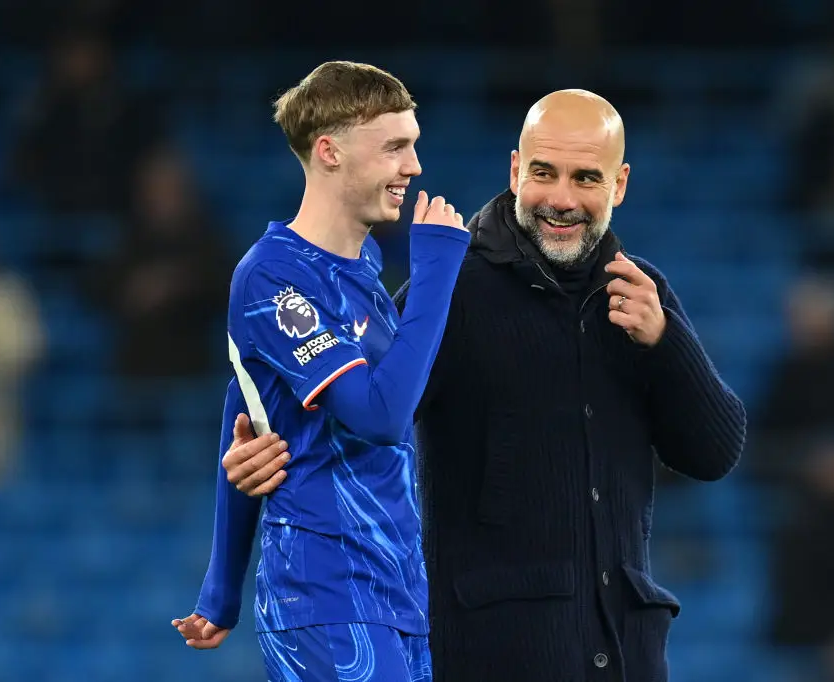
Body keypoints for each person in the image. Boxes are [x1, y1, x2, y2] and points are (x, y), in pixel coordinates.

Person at [222, 89, 746, 682]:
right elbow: (366, 412)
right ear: (516, 169)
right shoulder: (455, 291)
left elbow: (714, 453)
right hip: (490, 655)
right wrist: (263, 453)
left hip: (628, 656)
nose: (563, 200)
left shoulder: (640, 293)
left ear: (619, 185)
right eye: (545, 173)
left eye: (586, 178)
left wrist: (664, 343)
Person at [170, 61, 470, 682]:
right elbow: (382, 417)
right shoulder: (273, 276)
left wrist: (221, 594)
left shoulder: (361, 265)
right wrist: (437, 270)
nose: (413, 167)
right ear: (329, 151)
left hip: (395, 596)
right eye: (395, 147)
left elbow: (245, 418)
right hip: (327, 596)